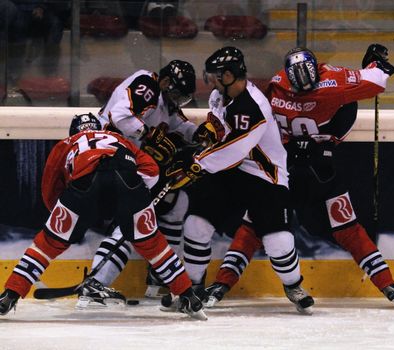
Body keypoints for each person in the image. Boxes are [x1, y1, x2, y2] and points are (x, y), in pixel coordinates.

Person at [203, 45, 394, 309]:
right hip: (290, 168)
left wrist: (374, 66)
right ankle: (222, 283)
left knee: (344, 227)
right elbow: (377, 79)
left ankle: (387, 283)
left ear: (318, 72)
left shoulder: (307, 82)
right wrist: (375, 65)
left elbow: (375, 80)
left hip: (313, 167)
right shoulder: (285, 85)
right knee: (258, 225)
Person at [0, 113, 207, 320]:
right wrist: (132, 200)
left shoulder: (67, 143)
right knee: (153, 245)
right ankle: (189, 296)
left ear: (73, 132)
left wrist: (65, 220)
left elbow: (50, 188)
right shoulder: (118, 138)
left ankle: (10, 294)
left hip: (84, 183)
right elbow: (151, 171)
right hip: (128, 181)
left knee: (47, 244)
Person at [162, 46, 315, 315]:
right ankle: (192, 289)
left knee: (279, 242)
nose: (211, 81)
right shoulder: (220, 96)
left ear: (230, 75)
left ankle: (293, 285)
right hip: (229, 171)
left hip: (264, 175)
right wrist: (203, 139)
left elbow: (235, 149)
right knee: (196, 225)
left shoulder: (253, 106)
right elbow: (220, 129)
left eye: (215, 76)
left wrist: (197, 164)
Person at [87, 59, 216, 301]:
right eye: (176, 94)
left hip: (127, 163)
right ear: (166, 82)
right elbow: (120, 115)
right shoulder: (148, 85)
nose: (177, 101)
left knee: (175, 206)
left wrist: (200, 134)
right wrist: (148, 134)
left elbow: (180, 125)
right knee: (131, 221)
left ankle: (159, 278)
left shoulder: (164, 101)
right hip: (108, 159)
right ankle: (95, 283)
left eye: (182, 98)